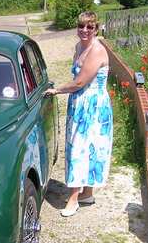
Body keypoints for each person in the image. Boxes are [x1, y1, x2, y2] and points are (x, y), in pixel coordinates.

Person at [43, 11, 113, 217]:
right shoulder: (79, 47)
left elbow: (80, 82)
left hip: (93, 107)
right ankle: (87, 194)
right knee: (86, 147)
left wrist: (57, 90)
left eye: (90, 27)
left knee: (80, 149)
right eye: (81, 26)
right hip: (80, 104)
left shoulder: (97, 50)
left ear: (96, 29)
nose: (85, 30)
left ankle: (73, 199)